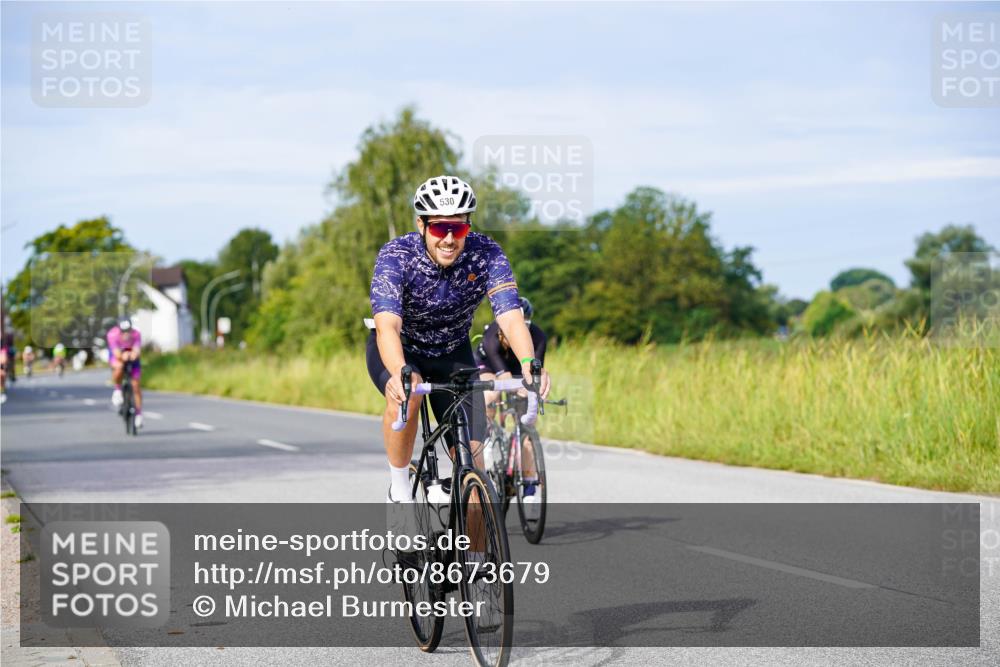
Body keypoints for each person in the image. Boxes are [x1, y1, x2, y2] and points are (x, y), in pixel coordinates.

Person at [367, 175, 551, 510]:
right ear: (421, 225)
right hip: (402, 348)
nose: (450, 239)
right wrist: (400, 372)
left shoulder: (487, 254)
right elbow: (388, 326)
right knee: (408, 395)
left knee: (474, 470)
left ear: (469, 225)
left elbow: (509, 316)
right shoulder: (396, 255)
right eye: (439, 228)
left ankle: (479, 557)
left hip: (453, 352)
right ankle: (400, 489)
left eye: (459, 228)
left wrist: (529, 364)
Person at [476, 296, 548, 512]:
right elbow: (504, 378)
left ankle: (528, 487)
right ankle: (487, 436)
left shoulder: (538, 337)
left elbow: (535, 374)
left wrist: (535, 389)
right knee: (491, 395)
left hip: (519, 368)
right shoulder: (491, 337)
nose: (519, 331)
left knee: (527, 430)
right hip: (488, 366)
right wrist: (519, 388)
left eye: (524, 325)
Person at [107, 318, 144, 429]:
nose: (126, 333)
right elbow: (116, 352)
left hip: (132, 355)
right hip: (118, 355)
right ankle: (117, 389)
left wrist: (134, 354)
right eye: (124, 331)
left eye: (128, 330)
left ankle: (138, 414)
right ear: (119, 330)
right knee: (119, 367)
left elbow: (137, 349)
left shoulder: (136, 334)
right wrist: (122, 357)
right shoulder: (112, 334)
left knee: (136, 385)